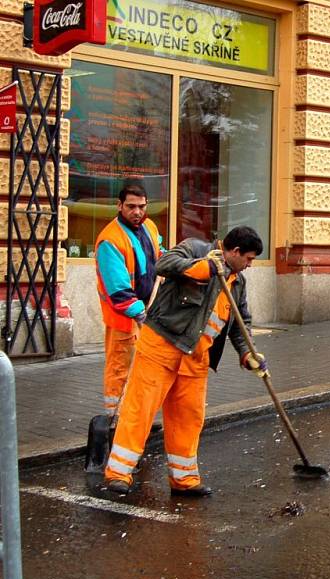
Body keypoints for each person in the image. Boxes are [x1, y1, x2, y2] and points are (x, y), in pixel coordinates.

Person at [103, 226, 266, 496]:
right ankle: (118, 473)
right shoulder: (194, 248)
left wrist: (248, 353)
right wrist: (201, 268)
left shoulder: (237, 283)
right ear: (235, 251)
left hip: (195, 358)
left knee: (188, 419)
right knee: (139, 411)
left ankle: (184, 479)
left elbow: (240, 324)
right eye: (248, 259)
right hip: (161, 347)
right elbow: (163, 264)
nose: (250, 265)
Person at [95, 183, 162, 417]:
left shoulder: (149, 227)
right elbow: (119, 291)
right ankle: (114, 420)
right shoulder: (110, 240)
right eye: (131, 207)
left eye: (141, 207)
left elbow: (158, 254)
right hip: (124, 320)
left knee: (144, 371)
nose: (137, 212)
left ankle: (137, 418)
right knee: (120, 371)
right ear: (119, 205)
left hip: (146, 312)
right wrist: (140, 314)